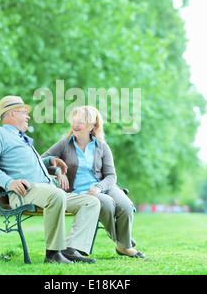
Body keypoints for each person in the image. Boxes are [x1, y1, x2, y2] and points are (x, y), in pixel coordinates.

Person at [0, 96, 100, 264]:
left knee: (91, 202)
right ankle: (53, 254)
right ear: (11, 114)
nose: (28, 116)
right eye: (24, 112)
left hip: (45, 191)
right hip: (23, 192)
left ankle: (70, 249)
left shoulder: (22, 139)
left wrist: (49, 162)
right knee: (56, 194)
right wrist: (9, 183)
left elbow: (27, 165)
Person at [42, 105, 145, 258]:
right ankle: (123, 243)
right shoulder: (64, 145)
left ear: (92, 126)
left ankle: (122, 244)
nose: (75, 125)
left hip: (104, 186)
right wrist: (57, 171)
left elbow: (111, 176)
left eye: (80, 122)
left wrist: (98, 186)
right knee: (107, 203)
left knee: (126, 206)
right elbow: (41, 162)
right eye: (74, 121)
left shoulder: (102, 147)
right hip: (81, 192)